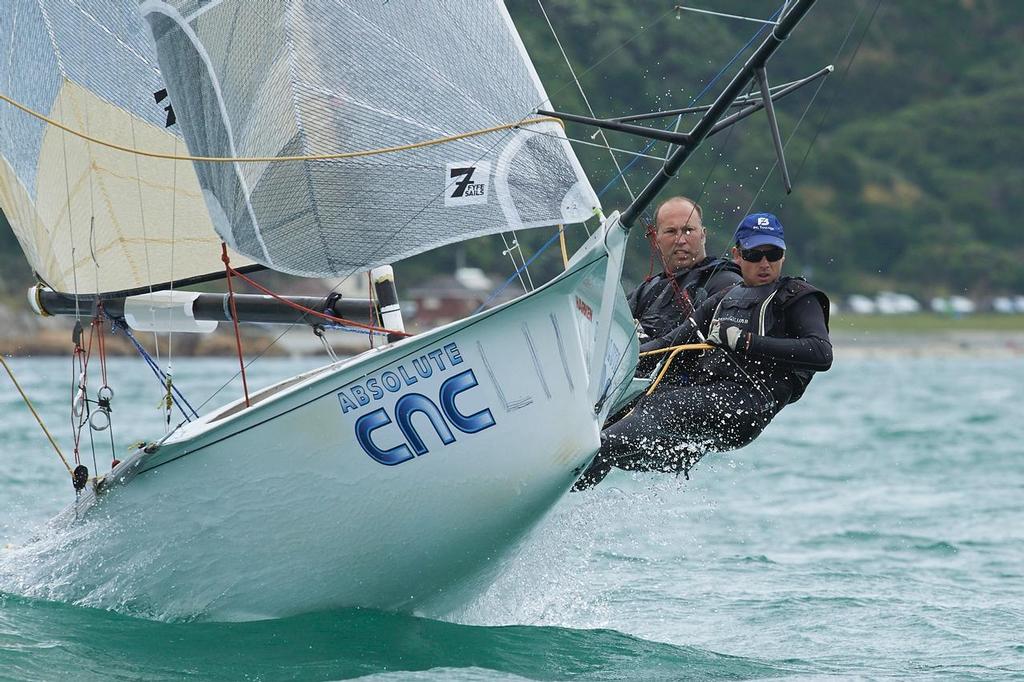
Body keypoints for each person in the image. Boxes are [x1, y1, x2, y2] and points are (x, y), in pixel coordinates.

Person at [574, 212, 832, 490]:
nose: (765, 263)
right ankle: (564, 484)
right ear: (738, 254)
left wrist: (745, 341)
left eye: (773, 254)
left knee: (651, 411)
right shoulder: (723, 300)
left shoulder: (797, 297)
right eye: (754, 254)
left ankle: (586, 455)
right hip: (706, 412)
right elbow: (669, 345)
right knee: (613, 420)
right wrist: (610, 363)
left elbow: (821, 353)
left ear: (783, 255)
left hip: (745, 406)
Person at [629, 197, 742, 346]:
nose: (680, 240)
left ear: (703, 235)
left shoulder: (726, 282)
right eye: (671, 231)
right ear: (656, 239)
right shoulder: (645, 290)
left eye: (688, 230)